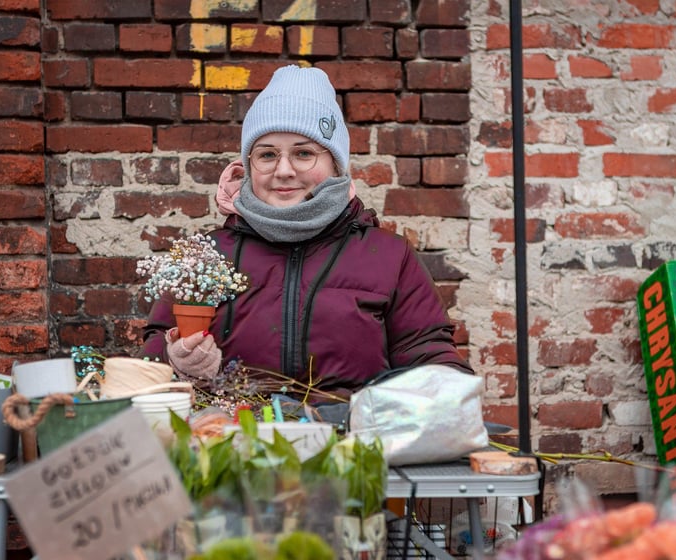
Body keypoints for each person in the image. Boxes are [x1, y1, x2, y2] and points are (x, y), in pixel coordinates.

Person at [140, 65, 474, 403]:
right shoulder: (206, 256)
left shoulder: (389, 257)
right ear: (249, 164)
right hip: (234, 444)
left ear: (335, 164)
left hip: (350, 446)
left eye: (303, 153)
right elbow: (152, 357)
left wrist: (451, 394)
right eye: (267, 154)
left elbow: (428, 356)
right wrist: (177, 361)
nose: (284, 171)